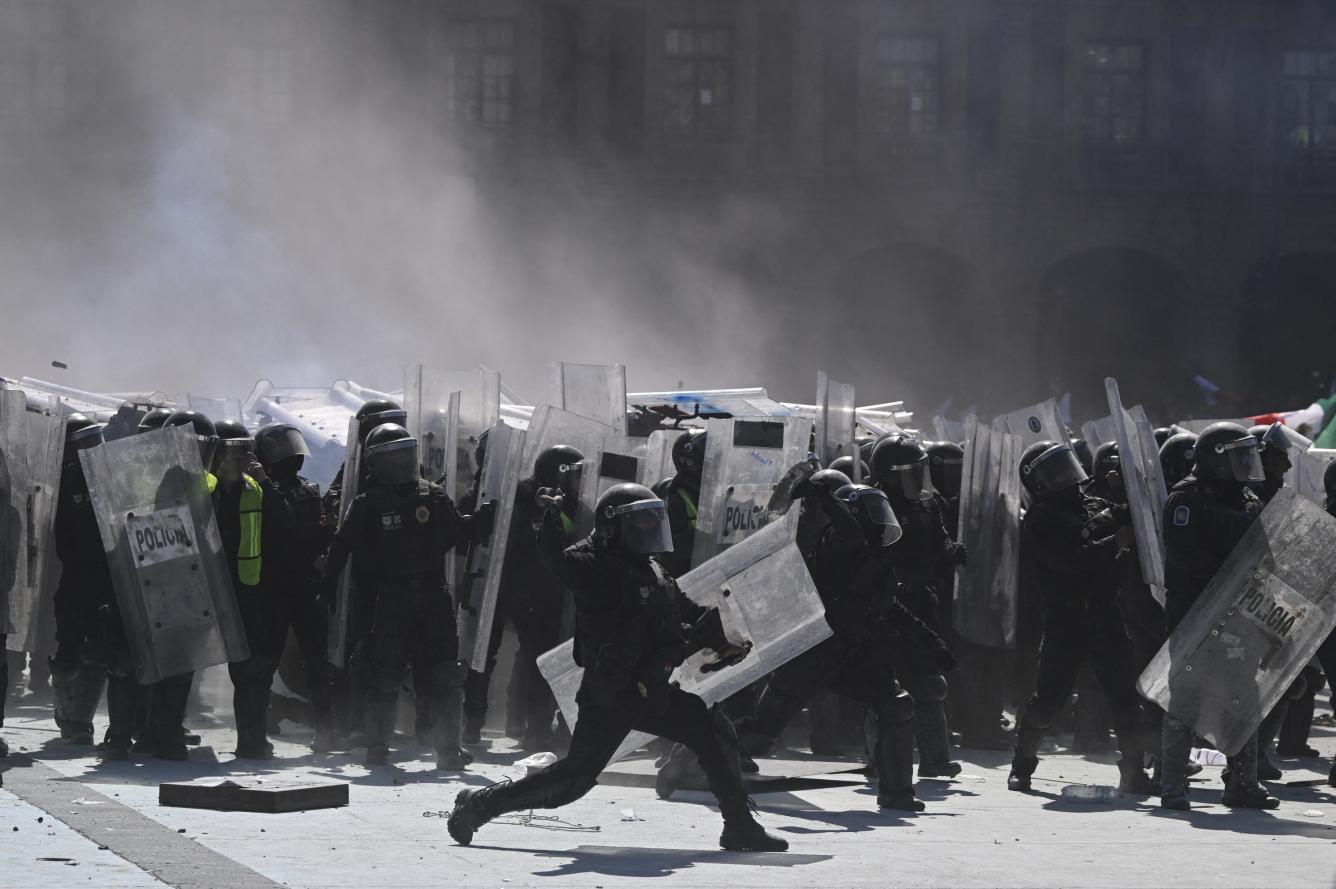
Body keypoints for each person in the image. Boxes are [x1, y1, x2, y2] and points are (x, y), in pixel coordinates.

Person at [447, 483, 787, 851]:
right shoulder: (593, 565)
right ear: (613, 527)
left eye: (652, 521)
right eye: (641, 523)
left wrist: (721, 640)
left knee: (711, 728)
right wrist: (548, 519)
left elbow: (683, 609)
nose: (650, 530)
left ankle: (739, 825)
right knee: (572, 781)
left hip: (651, 688)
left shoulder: (651, 568)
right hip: (611, 694)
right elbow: (556, 561)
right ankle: (478, 806)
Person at [733, 481, 950, 811]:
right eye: (871, 513)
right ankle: (698, 759)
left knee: (896, 705)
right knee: (761, 736)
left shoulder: (877, 557)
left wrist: (930, 644)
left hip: (853, 654)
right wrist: (823, 495)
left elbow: (889, 607)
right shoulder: (837, 542)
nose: (880, 521)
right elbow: (849, 530)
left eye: (882, 511)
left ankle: (897, 793)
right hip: (814, 651)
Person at [324, 423, 493, 769]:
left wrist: (481, 520)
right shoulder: (367, 504)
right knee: (384, 674)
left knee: (446, 674)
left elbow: (456, 533)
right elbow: (342, 546)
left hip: (432, 597)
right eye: (392, 457)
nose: (401, 463)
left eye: (405, 454)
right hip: (389, 600)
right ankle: (377, 747)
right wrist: (326, 587)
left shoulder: (431, 495)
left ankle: (447, 750)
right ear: (375, 464)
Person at [1005, 441, 1157, 796]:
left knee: (1125, 700)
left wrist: (1127, 488)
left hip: (1105, 615)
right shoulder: (1041, 519)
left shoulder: (1090, 504)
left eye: (1065, 465)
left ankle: (1134, 773)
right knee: (1047, 701)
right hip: (1066, 621)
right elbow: (1071, 559)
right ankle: (1021, 768)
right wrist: (1114, 543)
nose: (1066, 477)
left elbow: (1123, 513)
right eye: (1054, 471)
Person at [1159, 422, 1278, 810]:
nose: (1247, 463)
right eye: (1239, 456)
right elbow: (1182, 557)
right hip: (1194, 613)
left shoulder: (1247, 499)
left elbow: (1265, 553)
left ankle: (1242, 783)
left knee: (1244, 695)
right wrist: (1228, 572)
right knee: (1185, 699)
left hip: (1239, 616)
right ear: (1216, 460)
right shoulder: (1186, 500)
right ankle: (1172, 784)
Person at [463, 443, 584, 749]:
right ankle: (478, 724)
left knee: (534, 660)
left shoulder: (568, 504)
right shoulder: (527, 497)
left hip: (545, 594)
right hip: (516, 590)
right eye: (573, 474)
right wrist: (536, 497)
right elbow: (510, 493)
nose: (577, 481)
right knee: (493, 657)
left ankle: (530, 726)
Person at [869, 435, 965, 778]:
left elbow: (939, 537)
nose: (918, 480)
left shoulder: (928, 505)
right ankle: (879, 759)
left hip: (923, 601)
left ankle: (935, 759)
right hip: (889, 604)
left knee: (931, 682)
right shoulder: (873, 506)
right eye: (911, 473)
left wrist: (951, 549)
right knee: (885, 685)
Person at [255, 422, 335, 752]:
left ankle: (325, 730)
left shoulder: (297, 492)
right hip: (280, 587)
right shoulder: (263, 492)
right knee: (267, 661)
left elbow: (290, 525)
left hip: (292, 586)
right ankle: (258, 728)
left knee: (312, 662)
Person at [48, 415, 111, 746]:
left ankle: (81, 722)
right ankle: (66, 713)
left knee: (100, 652)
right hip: (73, 579)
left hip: (106, 578)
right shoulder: (60, 483)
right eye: (85, 442)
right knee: (68, 653)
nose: (93, 448)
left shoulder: (110, 478)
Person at [652, 430, 706, 578]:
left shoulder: (713, 494)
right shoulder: (673, 498)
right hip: (685, 581)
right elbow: (666, 549)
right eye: (710, 459)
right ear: (691, 462)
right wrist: (703, 538)